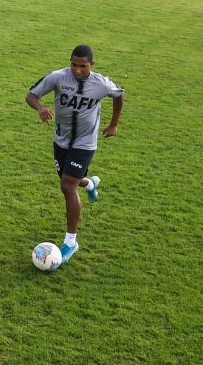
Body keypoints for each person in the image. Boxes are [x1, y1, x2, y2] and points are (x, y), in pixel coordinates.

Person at [24, 44, 124, 262]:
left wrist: (114, 124)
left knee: (67, 186)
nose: (77, 70)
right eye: (74, 65)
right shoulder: (58, 77)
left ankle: (71, 242)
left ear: (92, 65)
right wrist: (40, 108)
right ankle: (90, 184)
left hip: (85, 143)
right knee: (69, 180)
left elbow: (119, 94)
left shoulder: (101, 83)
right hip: (61, 140)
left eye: (83, 66)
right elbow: (31, 95)